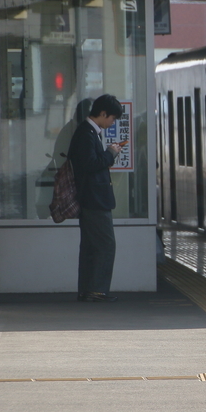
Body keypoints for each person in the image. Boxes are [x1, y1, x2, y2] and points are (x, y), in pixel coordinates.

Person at [68, 94, 125, 302]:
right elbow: (90, 164)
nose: (113, 123)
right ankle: (97, 290)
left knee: (91, 246)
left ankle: (88, 289)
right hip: (94, 199)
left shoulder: (89, 132)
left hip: (91, 198)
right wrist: (110, 153)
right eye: (112, 118)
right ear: (103, 114)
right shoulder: (87, 133)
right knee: (105, 245)